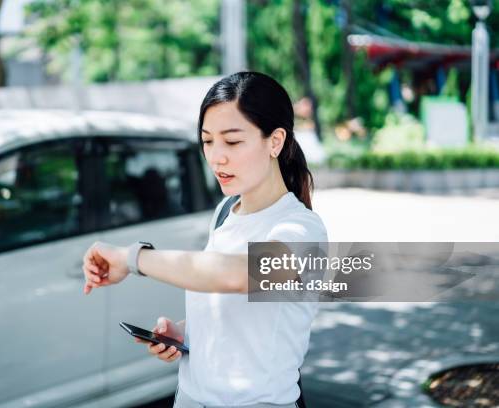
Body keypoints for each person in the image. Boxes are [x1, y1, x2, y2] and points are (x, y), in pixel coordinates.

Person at [82, 72, 328, 408]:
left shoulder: (302, 229)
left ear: (275, 141)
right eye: (207, 140)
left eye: (232, 141)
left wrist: (133, 257)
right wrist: (184, 333)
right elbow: (230, 309)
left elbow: (237, 275)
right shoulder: (226, 212)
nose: (216, 157)